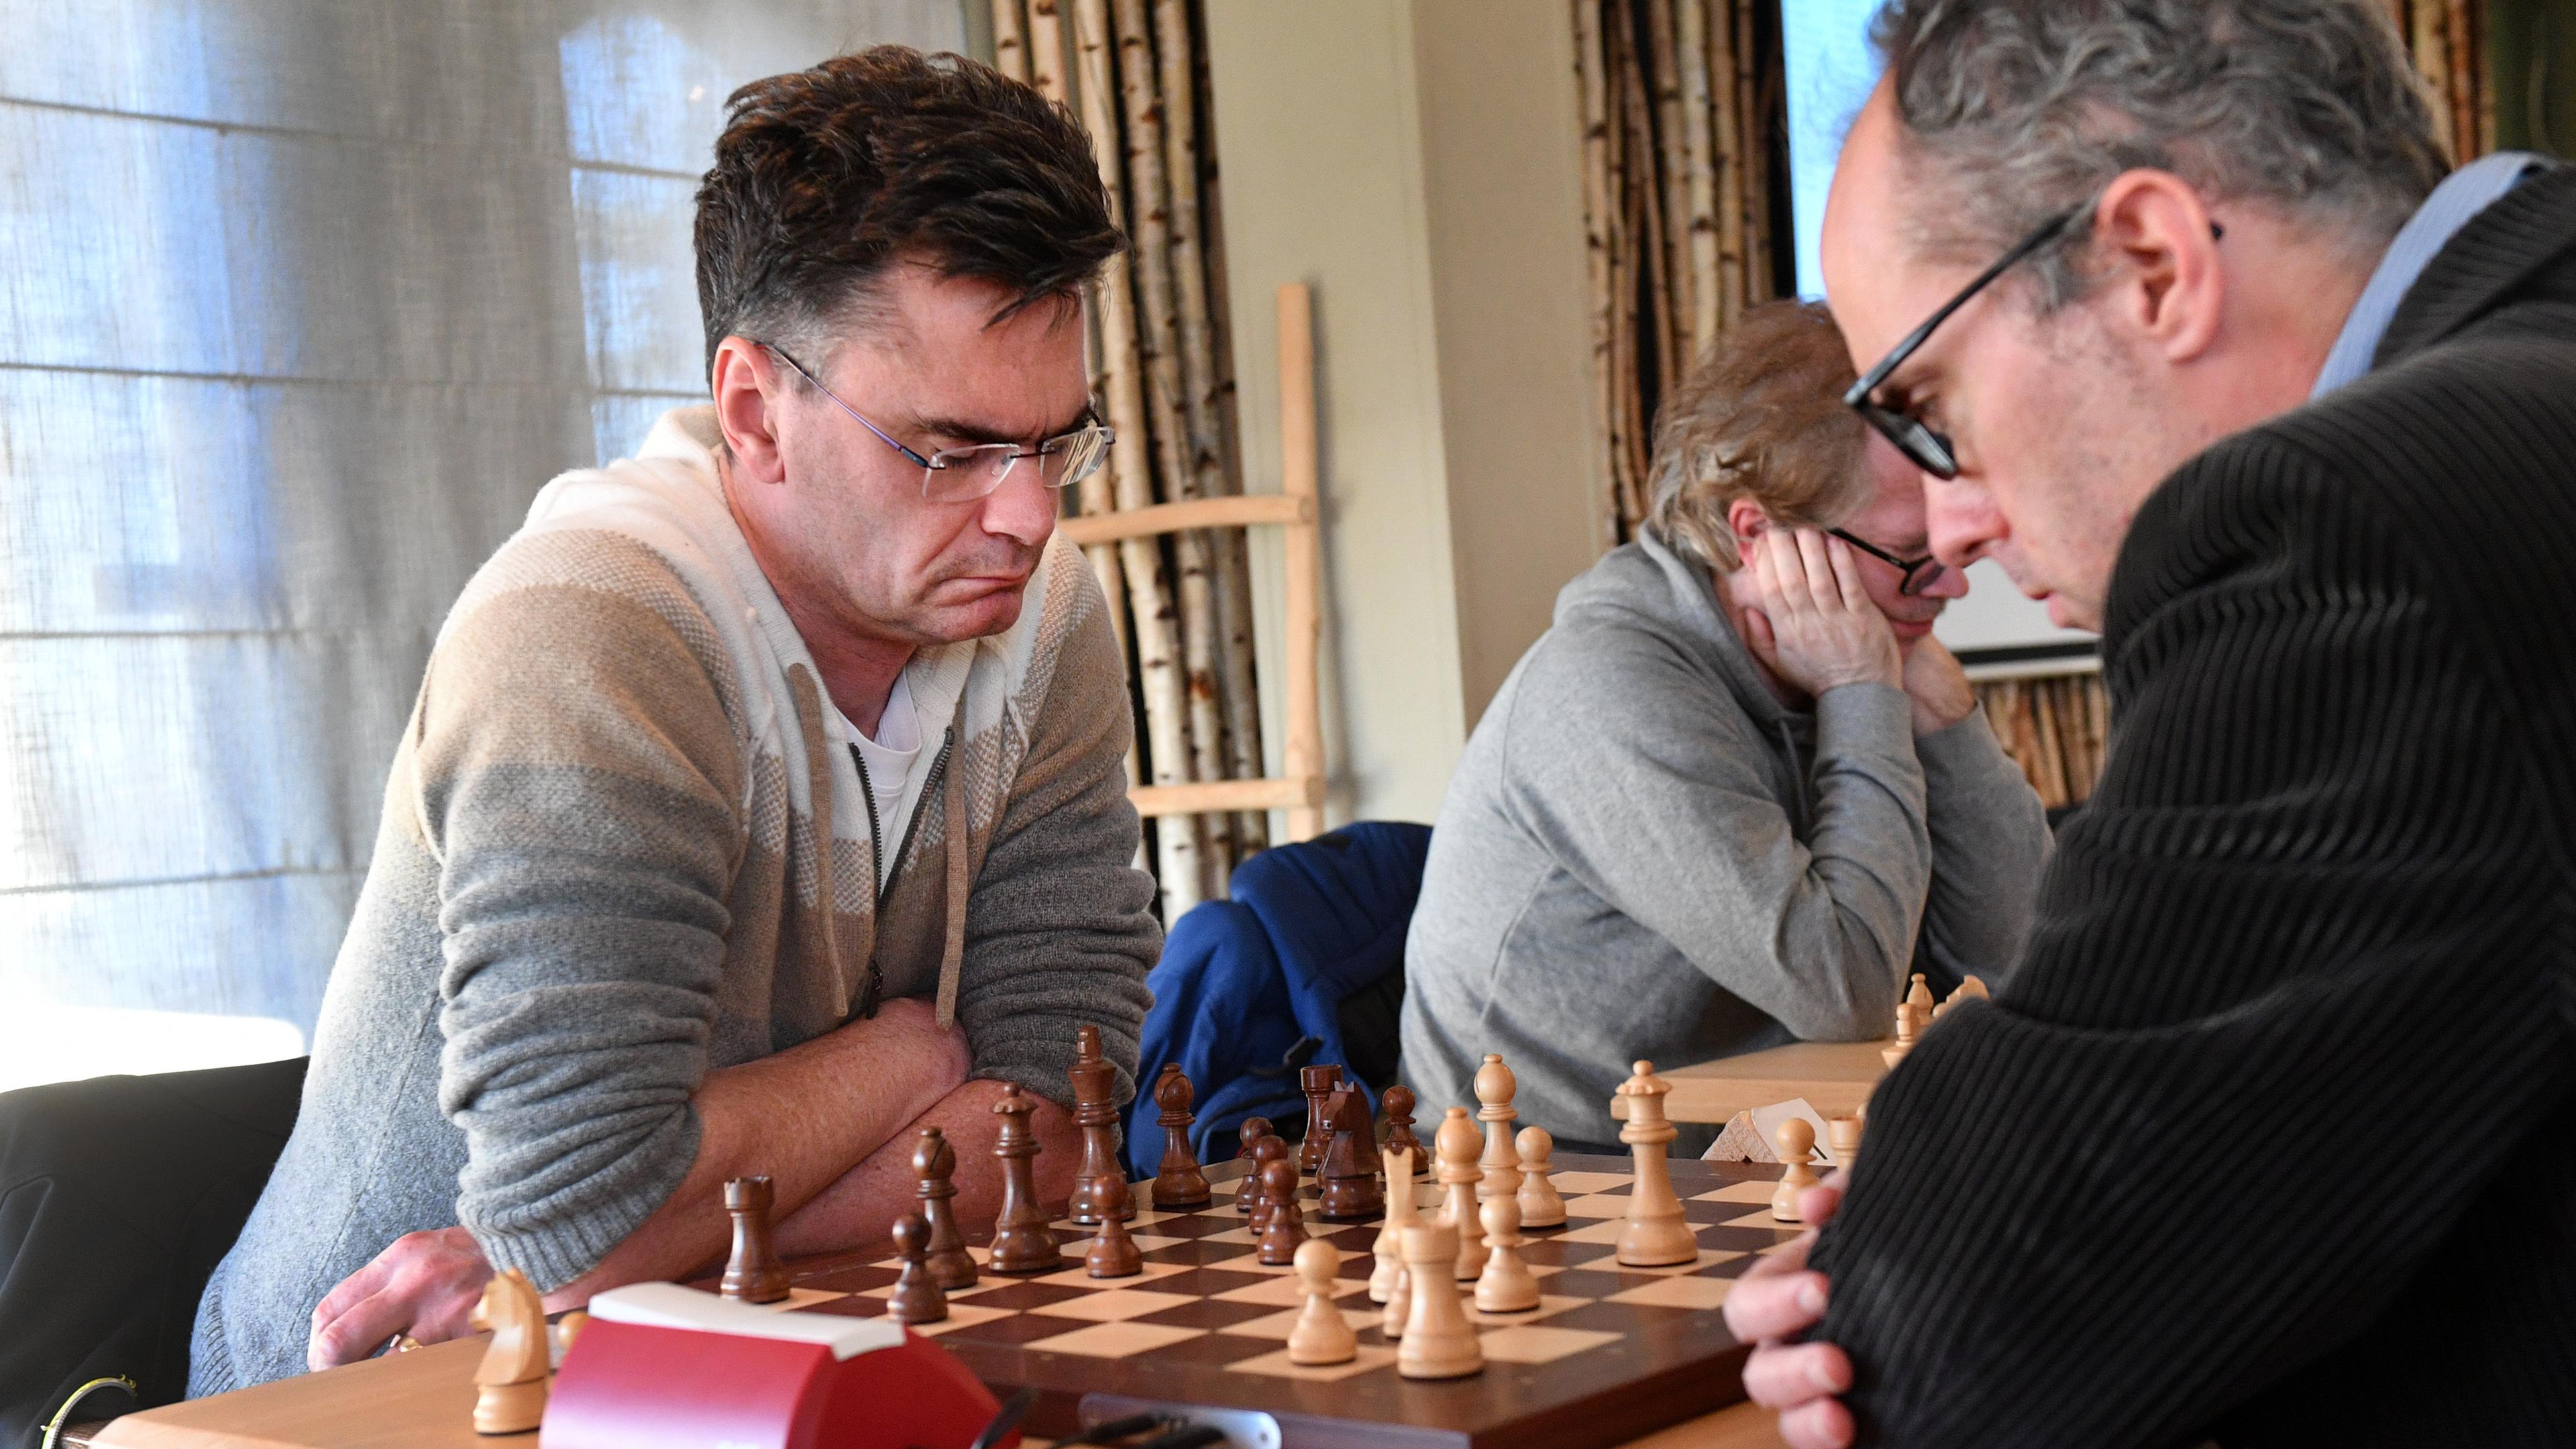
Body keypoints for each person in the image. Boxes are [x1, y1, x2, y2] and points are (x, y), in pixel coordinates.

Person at [189, 48, 1161, 1395]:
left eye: (1057, 442)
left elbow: (1060, 1129)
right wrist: (907, 1059)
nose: (1031, 513)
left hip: (724, 1358)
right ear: (754, 411)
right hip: (361, 1396)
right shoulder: (591, 636)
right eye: (951, 451)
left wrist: (656, 1250)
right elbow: (580, 1221)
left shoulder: (1045, 619)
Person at [1724, 2, 2576, 1445]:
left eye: (1927, 404)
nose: (1951, 522)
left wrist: (1921, 1227)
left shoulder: (2361, 529)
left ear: (2150, 265)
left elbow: (1964, 1345)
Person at [1400, 301, 2049, 1156]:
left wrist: (1948, 724)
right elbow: (1846, 990)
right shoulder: (1608, 691)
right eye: (1913, 556)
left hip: (1763, 1155)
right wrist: (1863, 691)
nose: (1952, 589)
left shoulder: (1832, 659)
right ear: (1760, 535)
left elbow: (2020, 964)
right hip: (1554, 1191)